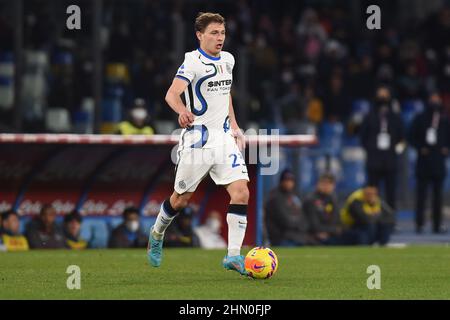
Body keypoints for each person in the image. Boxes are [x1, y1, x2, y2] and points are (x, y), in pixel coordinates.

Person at [147, 12, 250, 276]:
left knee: (241, 192)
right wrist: (182, 110)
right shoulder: (192, 62)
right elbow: (171, 93)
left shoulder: (228, 60)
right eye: (214, 33)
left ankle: (233, 256)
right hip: (198, 140)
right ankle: (157, 232)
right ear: (199, 35)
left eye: (222, 33)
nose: (220, 38)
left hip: (224, 138)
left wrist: (236, 127)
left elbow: (226, 96)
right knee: (180, 200)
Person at [360, 85, 405, 220]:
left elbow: (401, 137)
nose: (383, 97)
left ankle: (390, 220)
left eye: (385, 95)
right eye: (380, 94)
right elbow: (363, 136)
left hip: (390, 160)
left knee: (391, 193)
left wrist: (395, 150)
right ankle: (372, 218)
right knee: (372, 192)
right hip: (374, 160)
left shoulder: (395, 117)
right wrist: (371, 149)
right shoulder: (369, 116)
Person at [409, 92, 450, 234]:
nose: (435, 102)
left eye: (437, 99)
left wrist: (447, 149)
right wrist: (421, 148)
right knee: (421, 196)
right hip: (423, 163)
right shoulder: (420, 118)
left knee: (438, 197)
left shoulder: (445, 120)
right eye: (432, 99)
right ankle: (419, 224)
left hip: (439, 163)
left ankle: (437, 225)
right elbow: (411, 137)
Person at [264, 169, 312, 246]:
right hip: (281, 238)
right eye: (286, 180)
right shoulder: (275, 197)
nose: (289, 183)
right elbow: (285, 221)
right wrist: (298, 224)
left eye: (291, 180)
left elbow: (303, 217)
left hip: (296, 236)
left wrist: (300, 225)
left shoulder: (293, 196)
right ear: (281, 181)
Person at [302, 173, 342, 245]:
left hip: (330, 234)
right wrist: (333, 230)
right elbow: (313, 225)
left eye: (329, 183)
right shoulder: (311, 199)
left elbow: (337, 220)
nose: (326, 186)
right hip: (312, 235)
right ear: (318, 184)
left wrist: (330, 231)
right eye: (323, 183)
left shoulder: (333, 199)